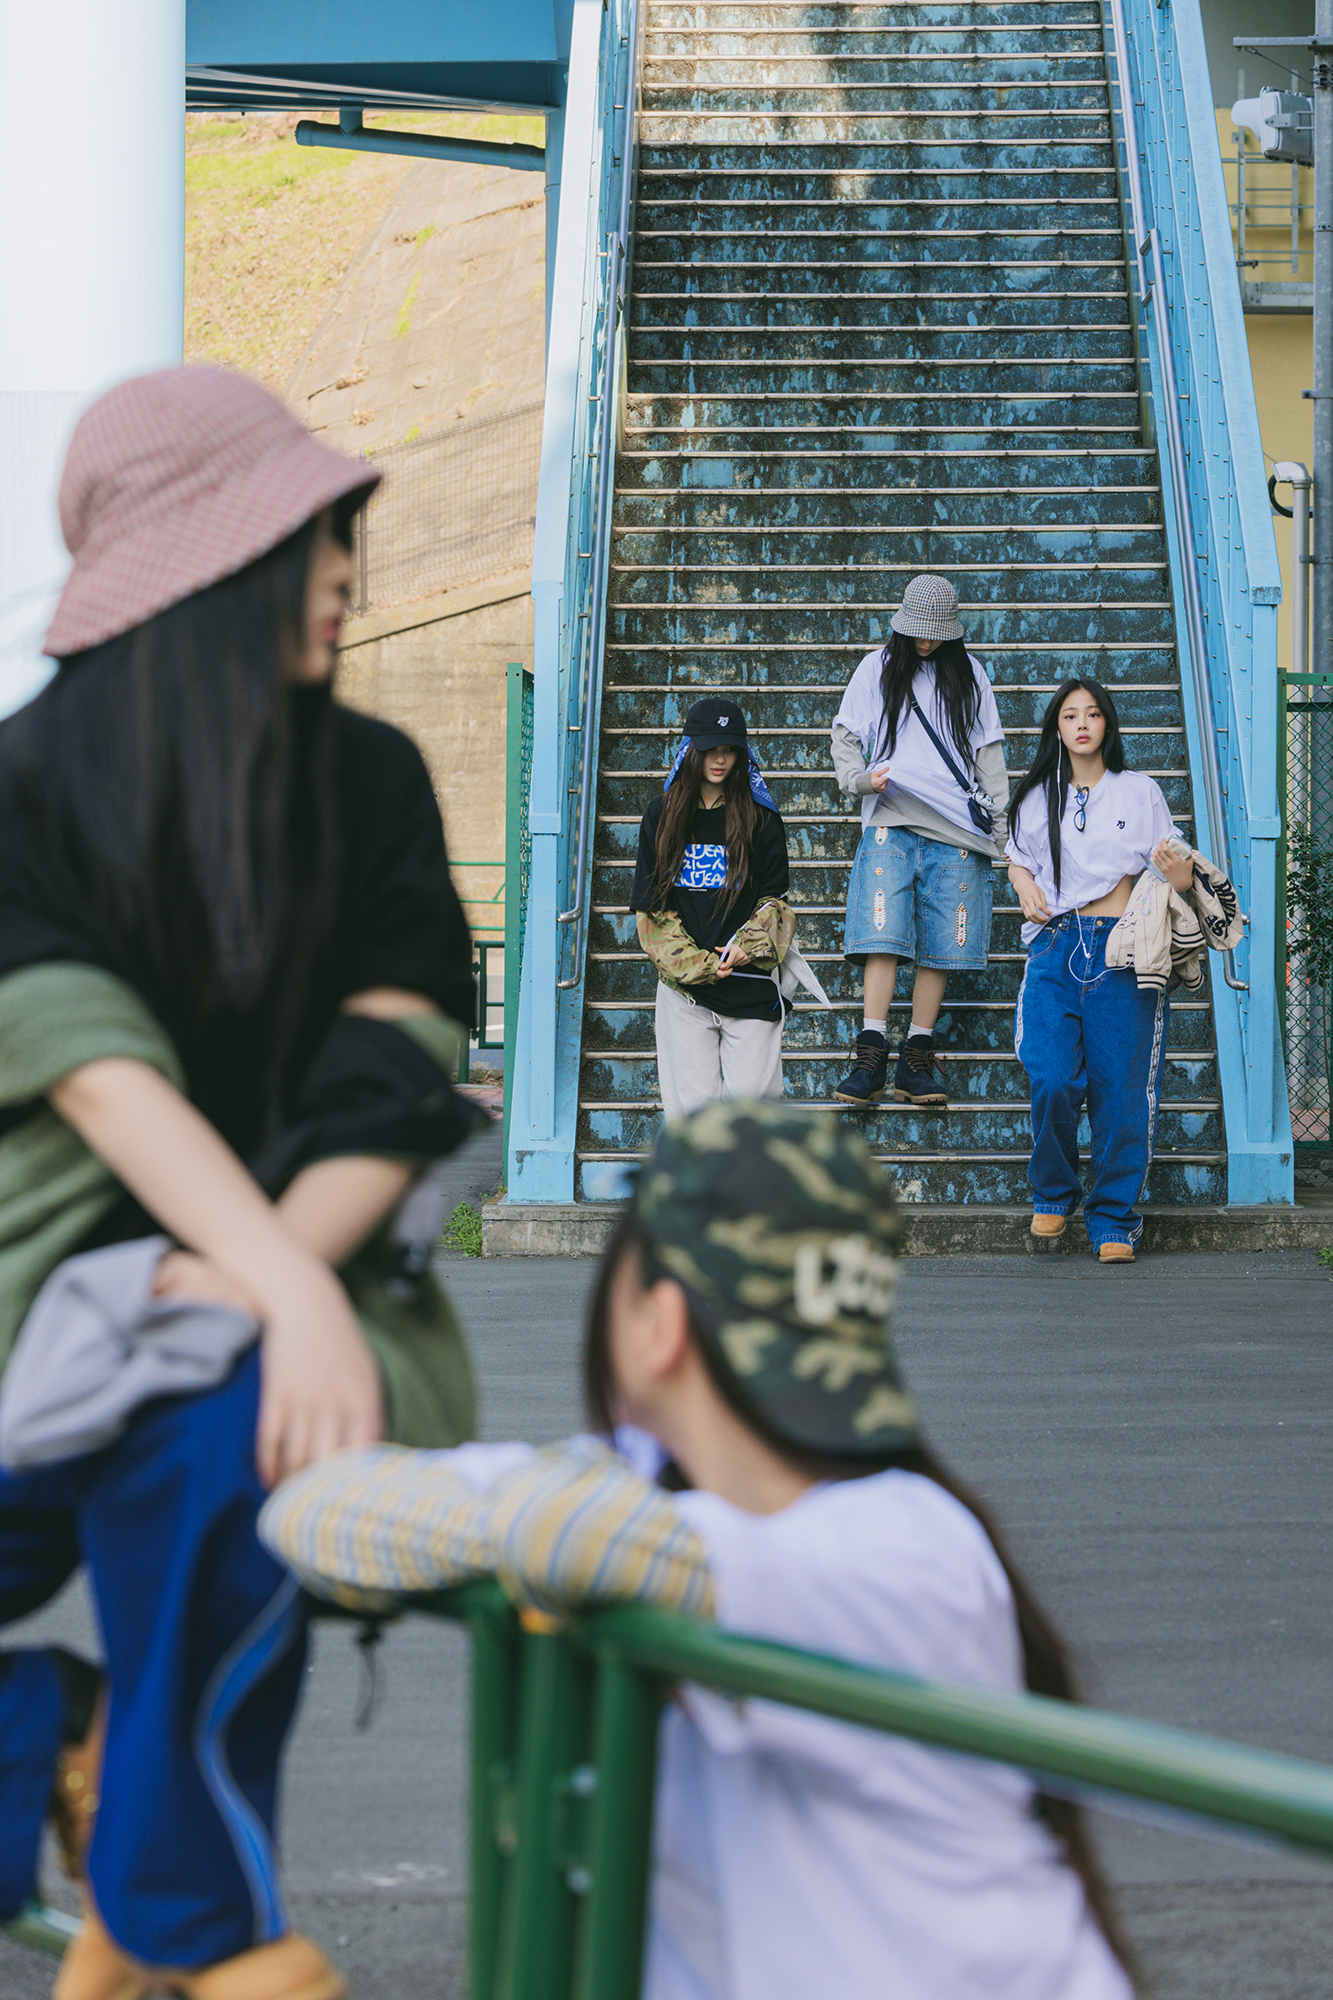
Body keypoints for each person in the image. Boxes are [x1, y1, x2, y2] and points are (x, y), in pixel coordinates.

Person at [0, 365, 482, 2000]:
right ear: (208, 562)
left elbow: (390, 1077)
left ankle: (206, 1943)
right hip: (39, 1302)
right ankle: (69, 1740)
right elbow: (92, 1068)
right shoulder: (22, 785)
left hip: (277, 1298)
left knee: (230, 1462)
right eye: (312, 537)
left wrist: (279, 1290)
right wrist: (282, 1288)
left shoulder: (371, 787)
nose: (350, 569)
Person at [260, 1100, 1134, 2000]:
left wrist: (511, 1506)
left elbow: (574, 1534)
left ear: (659, 1323)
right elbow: (311, 1509)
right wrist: (543, 1501)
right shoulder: (647, 1492)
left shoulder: (903, 1543)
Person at [1006, 678, 1198, 1262]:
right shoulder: (1037, 794)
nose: (1082, 723)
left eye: (1092, 714)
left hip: (1122, 949)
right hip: (1056, 946)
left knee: (1121, 1088)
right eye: (1070, 715)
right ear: (1057, 728)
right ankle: (1055, 1193)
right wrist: (1022, 885)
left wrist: (1181, 875)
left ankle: (1114, 1217)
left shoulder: (1138, 791)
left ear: (1108, 725)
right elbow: (1016, 859)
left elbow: (1179, 873)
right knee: (1052, 1075)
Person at [831, 573, 1009, 1108]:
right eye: (919, 631)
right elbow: (845, 736)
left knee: (940, 941)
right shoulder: (877, 667)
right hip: (891, 811)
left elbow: (990, 753)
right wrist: (861, 781)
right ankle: (870, 1050)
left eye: (936, 633)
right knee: (881, 930)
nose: (927, 641)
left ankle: (917, 1054)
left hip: (957, 825)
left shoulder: (971, 675)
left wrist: (1003, 830)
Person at [630, 696, 793, 1118]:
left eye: (730, 749)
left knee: (753, 1121)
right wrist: (700, 965)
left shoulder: (761, 818)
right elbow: (651, 908)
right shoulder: (661, 815)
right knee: (692, 1119)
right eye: (711, 748)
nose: (720, 759)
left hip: (752, 988)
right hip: (685, 993)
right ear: (691, 749)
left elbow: (775, 900)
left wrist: (749, 944)